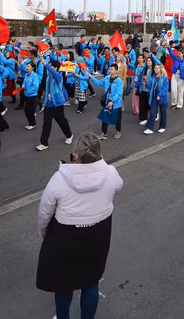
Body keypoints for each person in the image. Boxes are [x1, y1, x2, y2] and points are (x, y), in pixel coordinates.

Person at [37, 132, 123, 319]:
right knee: (91, 280)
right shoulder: (110, 173)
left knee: (63, 283)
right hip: (98, 236)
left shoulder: (59, 179)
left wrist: (44, 232)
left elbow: (45, 212)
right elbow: (118, 185)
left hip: (65, 238)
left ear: (76, 153)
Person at [37, 58, 73, 151]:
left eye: (52, 66)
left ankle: (69, 135)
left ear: (56, 68)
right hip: (48, 104)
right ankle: (44, 143)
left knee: (61, 121)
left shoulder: (58, 76)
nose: (49, 68)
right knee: (46, 124)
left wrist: (45, 64)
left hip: (57, 104)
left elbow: (52, 71)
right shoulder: (49, 77)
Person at [89, 63, 124, 139]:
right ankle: (104, 133)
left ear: (116, 71)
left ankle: (118, 131)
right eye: (109, 69)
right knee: (105, 117)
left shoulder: (119, 81)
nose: (110, 70)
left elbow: (119, 93)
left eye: (112, 69)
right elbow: (98, 83)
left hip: (115, 104)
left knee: (117, 118)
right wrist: (91, 76)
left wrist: (113, 101)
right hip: (107, 102)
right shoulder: (107, 78)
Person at [144, 63, 169, 134]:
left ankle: (162, 127)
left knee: (163, 113)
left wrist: (160, 95)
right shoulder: (153, 77)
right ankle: (149, 128)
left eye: (157, 68)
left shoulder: (164, 77)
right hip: (155, 97)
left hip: (162, 98)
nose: (155, 70)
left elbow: (165, 88)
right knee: (152, 112)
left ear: (160, 69)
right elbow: (150, 87)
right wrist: (146, 82)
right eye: (155, 68)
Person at [136, 56, 155, 125]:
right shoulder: (144, 69)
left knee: (149, 105)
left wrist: (148, 82)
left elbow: (155, 80)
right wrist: (136, 86)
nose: (148, 62)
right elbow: (139, 78)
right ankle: (143, 118)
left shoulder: (154, 70)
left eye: (149, 61)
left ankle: (155, 114)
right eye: (147, 61)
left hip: (150, 90)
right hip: (143, 89)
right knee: (142, 104)